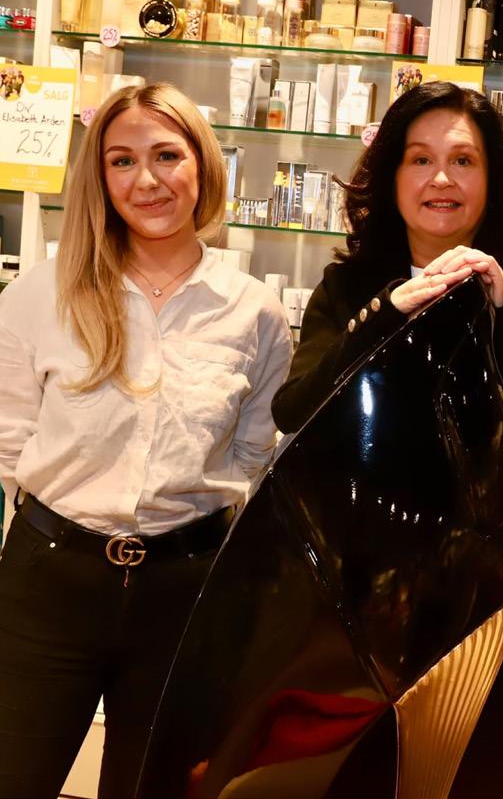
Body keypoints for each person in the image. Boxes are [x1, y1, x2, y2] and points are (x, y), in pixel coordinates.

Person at [270, 81, 503, 798]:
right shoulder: (352, 285)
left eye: (463, 161)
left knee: (483, 778)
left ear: (493, 179)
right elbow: (295, 409)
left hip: (502, 598)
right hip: (365, 592)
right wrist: (386, 314)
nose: (440, 179)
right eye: (419, 159)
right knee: (357, 779)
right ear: (392, 176)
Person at [0, 82, 292, 798]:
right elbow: (11, 438)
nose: (146, 180)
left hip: (187, 595)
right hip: (50, 581)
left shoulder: (254, 311)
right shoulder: (42, 294)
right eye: (122, 161)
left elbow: (253, 454)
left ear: (202, 164)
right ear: (100, 178)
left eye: (166, 155)